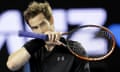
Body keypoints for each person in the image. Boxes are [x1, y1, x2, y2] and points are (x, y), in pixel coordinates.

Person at [6, 1, 90, 72]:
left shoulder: (76, 49)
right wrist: (40, 41)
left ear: (51, 20)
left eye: (42, 24)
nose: (40, 31)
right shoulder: (32, 48)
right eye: (35, 27)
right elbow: (11, 65)